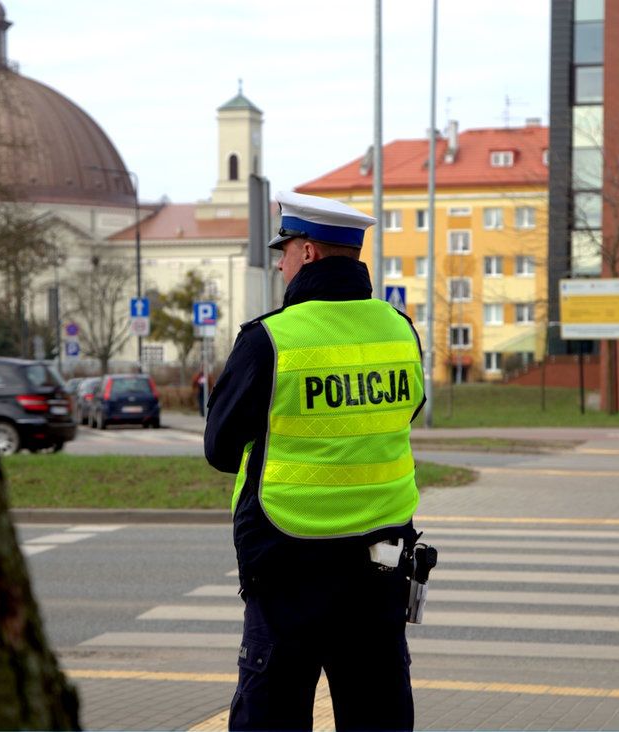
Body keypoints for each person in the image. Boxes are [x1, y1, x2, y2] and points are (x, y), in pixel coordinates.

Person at [205, 191, 426, 731]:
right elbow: (407, 410)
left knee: (272, 718)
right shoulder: (400, 330)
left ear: (307, 253)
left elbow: (219, 449)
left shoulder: (271, 339)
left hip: (288, 566)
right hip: (380, 566)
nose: (279, 262)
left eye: (285, 249)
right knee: (378, 717)